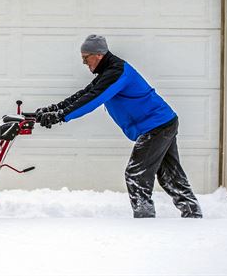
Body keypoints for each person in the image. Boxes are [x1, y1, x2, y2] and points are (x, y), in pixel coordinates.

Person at [36, 34, 203, 218]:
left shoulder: (117, 72)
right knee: (169, 174)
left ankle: (145, 218)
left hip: (156, 126)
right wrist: (55, 108)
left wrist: (61, 116)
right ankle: (192, 214)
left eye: (86, 57)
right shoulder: (109, 71)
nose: (84, 62)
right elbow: (85, 93)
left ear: (99, 55)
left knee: (136, 174)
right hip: (163, 123)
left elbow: (93, 99)